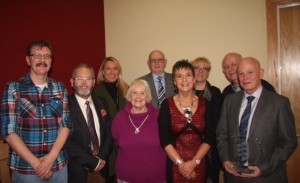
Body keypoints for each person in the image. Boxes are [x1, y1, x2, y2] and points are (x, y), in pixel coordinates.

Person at [216, 57, 297, 183]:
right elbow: (221, 134)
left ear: (261, 73)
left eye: (250, 72)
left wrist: (264, 168)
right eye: (241, 74)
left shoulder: (279, 103)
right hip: (235, 177)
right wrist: (225, 159)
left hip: (267, 177)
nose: (245, 77)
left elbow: (288, 142)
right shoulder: (229, 101)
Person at [1, 40, 71, 183]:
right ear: (28, 60)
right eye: (37, 55)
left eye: (47, 56)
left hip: (58, 167)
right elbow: (8, 131)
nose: (42, 60)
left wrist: (50, 159)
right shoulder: (13, 88)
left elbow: (66, 125)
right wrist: (37, 164)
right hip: (27, 170)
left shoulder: (60, 88)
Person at [158, 60, 214, 183]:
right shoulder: (166, 105)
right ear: (174, 81)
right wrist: (182, 164)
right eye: (179, 76)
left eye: (188, 75)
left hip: (199, 164)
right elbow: (164, 140)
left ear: (194, 79)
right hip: (175, 165)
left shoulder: (206, 104)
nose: (184, 80)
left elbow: (209, 137)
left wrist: (194, 162)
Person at [111, 79, 166, 183]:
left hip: (156, 177)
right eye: (134, 93)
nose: (138, 97)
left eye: (142, 93)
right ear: (129, 96)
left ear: (147, 97)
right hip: (126, 177)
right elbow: (116, 140)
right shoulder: (119, 118)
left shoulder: (159, 116)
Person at [66, 64, 113, 183]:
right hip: (78, 171)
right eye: (79, 78)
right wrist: (93, 162)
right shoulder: (66, 106)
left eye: (88, 79)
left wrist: (100, 158)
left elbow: (108, 133)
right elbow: (67, 142)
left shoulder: (102, 102)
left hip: (101, 169)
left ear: (93, 82)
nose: (84, 82)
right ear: (72, 82)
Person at [93, 56, 128, 183]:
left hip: (126, 142)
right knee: (108, 176)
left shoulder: (126, 90)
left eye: (115, 69)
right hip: (106, 144)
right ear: (102, 71)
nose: (112, 72)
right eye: (108, 69)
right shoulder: (95, 92)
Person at [191, 57, 223, 183]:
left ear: (208, 72)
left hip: (211, 145)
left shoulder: (215, 92)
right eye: (197, 68)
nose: (200, 71)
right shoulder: (185, 91)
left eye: (204, 68)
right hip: (189, 143)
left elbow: (218, 121)